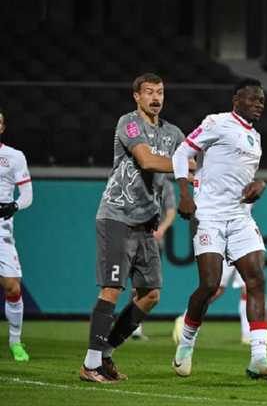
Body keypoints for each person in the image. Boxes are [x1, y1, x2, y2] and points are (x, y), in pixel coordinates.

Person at [170, 79, 267, 381]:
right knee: (209, 284)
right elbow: (181, 154)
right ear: (236, 100)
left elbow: (244, 179)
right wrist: (184, 194)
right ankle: (186, 344)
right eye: (253, 98)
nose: (259, 104)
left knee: (256, 279)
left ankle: (259, 358)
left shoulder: (255, 137)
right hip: (209, 215)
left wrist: (259, 186)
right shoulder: (216, 123)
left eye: (262, 100)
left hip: (240, 216)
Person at [79, 73, 186, 383]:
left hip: (145, 223)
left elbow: (196, 159)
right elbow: (147, 160)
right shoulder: (128, 123)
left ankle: (106, 353)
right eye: (149, 92)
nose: (156, 97)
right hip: (117, 216)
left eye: (160, 92)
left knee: (151, 294)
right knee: (112, 289)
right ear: (136, 96)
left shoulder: (173, 133)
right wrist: (183, 165)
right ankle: (90, 364)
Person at [0, 109, 33, 362]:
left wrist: (13, 206)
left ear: (2, 127)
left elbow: (27, 196)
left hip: (2, 228)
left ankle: (15, 341)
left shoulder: (14, 156)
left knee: (12, 286)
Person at [131, 175, 176, 341]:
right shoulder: (135, 180)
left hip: (153, 242)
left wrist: (161, 229)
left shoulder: (165, 185)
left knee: (148, 287)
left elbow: (171, 212)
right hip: (133, 237)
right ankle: (132, 326)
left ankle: (134, 325)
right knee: (134, 284)